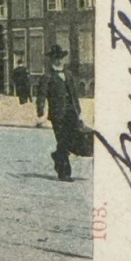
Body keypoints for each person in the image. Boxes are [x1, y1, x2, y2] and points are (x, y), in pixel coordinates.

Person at [36, 44, 87, 181]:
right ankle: (64, 173)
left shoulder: (68, 74)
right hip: (57, 114)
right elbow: (41, 95)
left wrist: (78, 110)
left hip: (71, 113)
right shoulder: (47, 76)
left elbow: (73, 94)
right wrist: (40, 112)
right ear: (51, 60)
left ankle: (58, 155)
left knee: (71, 140)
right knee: (62, 140)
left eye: (60, 58)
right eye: (55, 58)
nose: (58, 61)